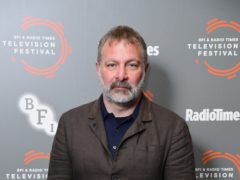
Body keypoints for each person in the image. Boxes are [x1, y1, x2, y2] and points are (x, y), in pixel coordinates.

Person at [47, 26, 196, 180]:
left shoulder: (173, 128)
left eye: (132, 65)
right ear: (98, 69)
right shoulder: (69, 124)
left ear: (145, 70)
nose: (121, 75)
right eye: (112, 65)